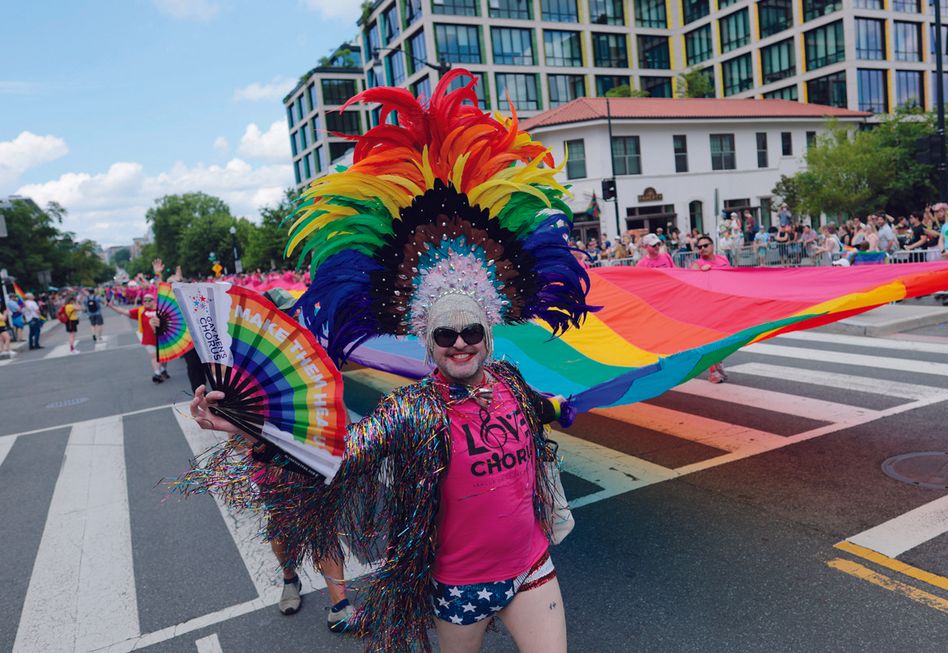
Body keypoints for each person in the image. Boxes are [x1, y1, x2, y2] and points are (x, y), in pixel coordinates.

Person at [183, 71, 590, 652]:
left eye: (469, 330)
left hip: (533, 570)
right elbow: (334, 456)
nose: (458, 343)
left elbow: (542, 413)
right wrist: (248, 427)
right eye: (444, 333)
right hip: (459, 587)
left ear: (488, 333)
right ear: (427, 341)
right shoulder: (411, 411)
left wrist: (562, 406)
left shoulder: (511, 383)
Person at [691, 236, 730, 383]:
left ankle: (718, 365)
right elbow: (691, 283)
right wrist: (701, 272)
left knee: (724, 339)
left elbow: (732, 278)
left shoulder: (723, 260)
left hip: (723, 305)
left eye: (705, 245)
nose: (702, 249)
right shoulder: (697, 264)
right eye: (699, 247)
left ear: (712, 245)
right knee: (710, 339)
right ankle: (713, 371)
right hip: (706, 307)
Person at [107, 293, 167, 382]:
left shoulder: (161, 310)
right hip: (148, 339)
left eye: (149, 300)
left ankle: (162, 369)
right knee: (154, 356)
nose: (146, 302)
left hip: (162, 338)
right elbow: (125, 312)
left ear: (154, 300)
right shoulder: (141, 310)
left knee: (164, 357)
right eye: (145, 300)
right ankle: (157, 373)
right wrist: (112, 307)